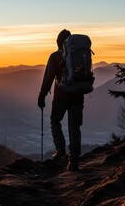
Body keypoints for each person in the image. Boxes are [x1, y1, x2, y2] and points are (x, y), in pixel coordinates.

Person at [38, 29, 84, 171]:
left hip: (61, 97)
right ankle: (74, 160)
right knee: (74, 126)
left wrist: (42, 96)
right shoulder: (80, 56)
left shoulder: (55, 57)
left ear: (58, 42)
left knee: (55, 121)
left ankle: (60, 150)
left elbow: (48, 79)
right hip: (77, 95)